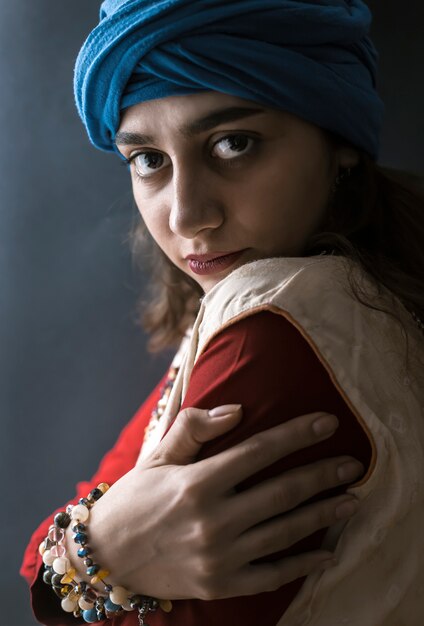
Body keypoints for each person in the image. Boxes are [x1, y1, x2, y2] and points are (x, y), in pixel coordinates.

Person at [21, 1, 424, 625]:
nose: (185, 215)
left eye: (233, 144)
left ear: (338, 140)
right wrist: (97, 551)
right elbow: (67, 529)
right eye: (148, 159)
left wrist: (85, 560)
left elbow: (42, 564)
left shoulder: (276, 327)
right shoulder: (314, 297)